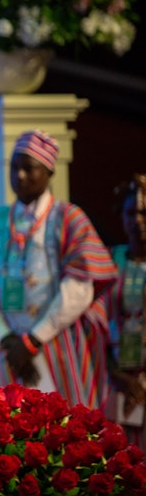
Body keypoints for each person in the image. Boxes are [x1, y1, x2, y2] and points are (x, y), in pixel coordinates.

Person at [0, 129, 116, 410]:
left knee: (66, 433)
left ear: (49, 171)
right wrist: (8, 340)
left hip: (58, 346)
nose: (20, 176)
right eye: (14, 168)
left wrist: (33, 340)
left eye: (29, 168)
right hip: (10, 350)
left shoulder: (69, 218)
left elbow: (79, 290)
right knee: (8, 435)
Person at [104, 173, 146, 445]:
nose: (138, 221)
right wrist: (118, 375)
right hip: (114, 380)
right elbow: (93, 324)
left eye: (145, 212)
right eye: (131, 213)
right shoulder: (107, 262)